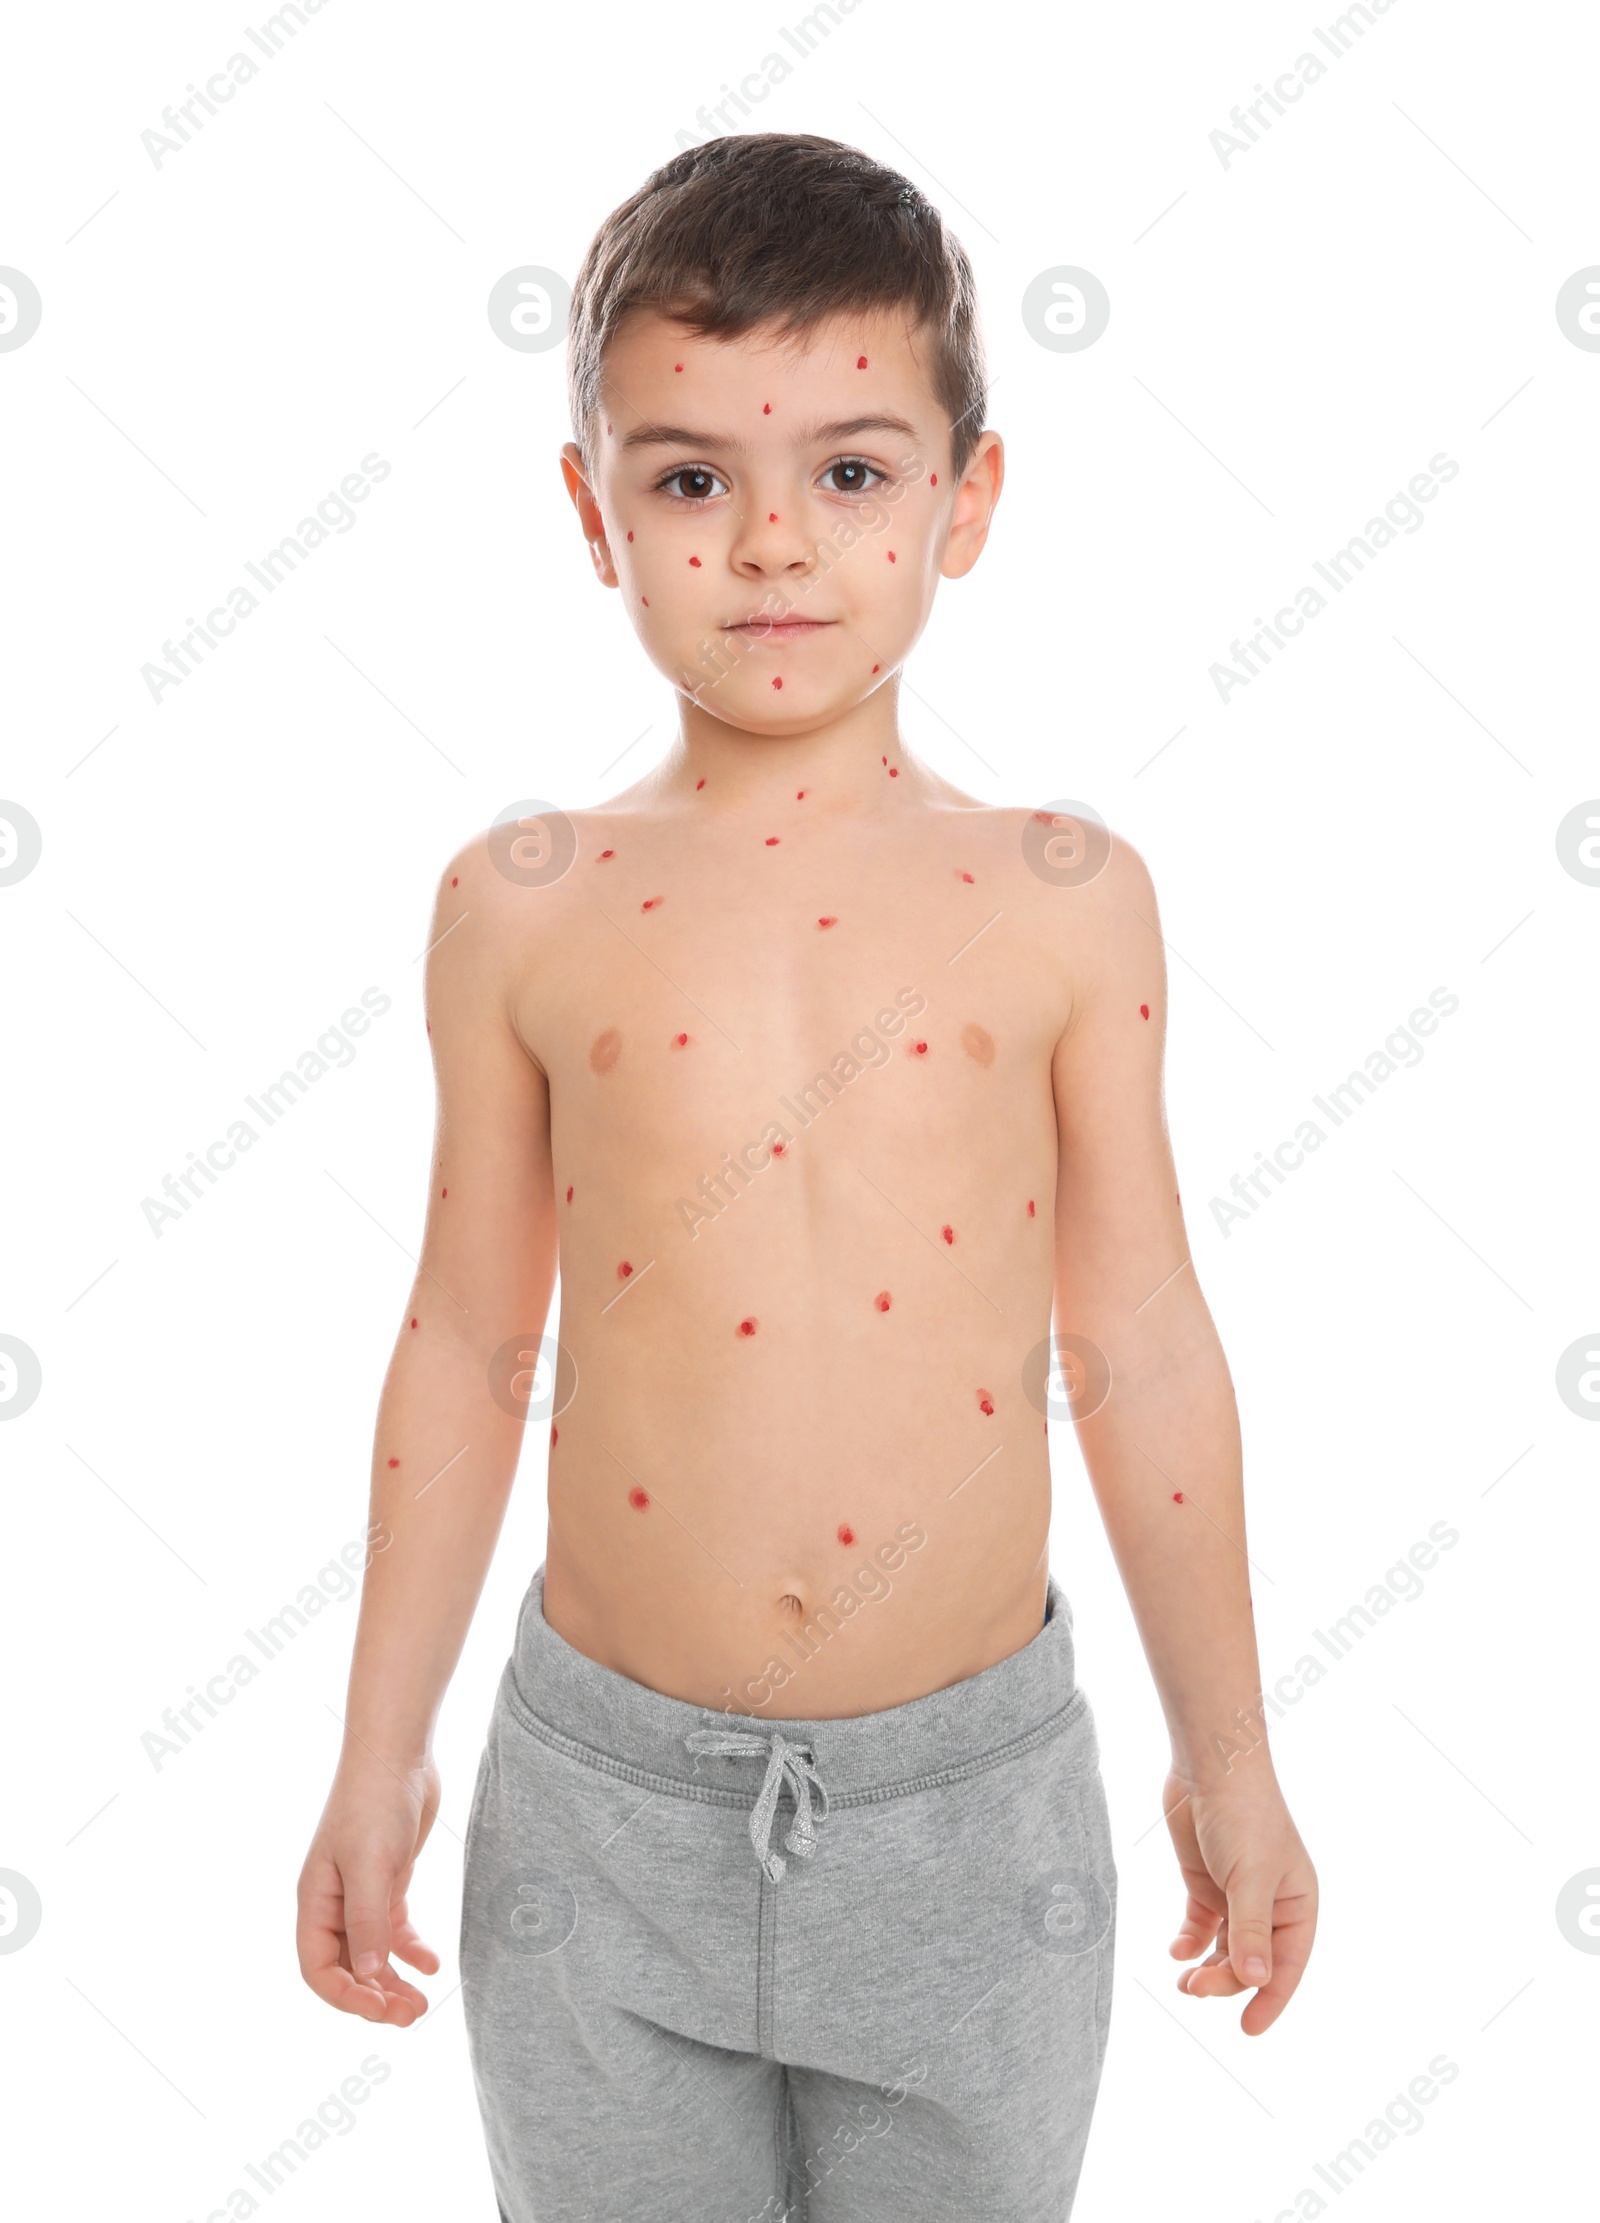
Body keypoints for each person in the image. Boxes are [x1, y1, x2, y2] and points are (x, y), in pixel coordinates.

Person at [297, 132, 1317, 2221]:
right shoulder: (522, 902)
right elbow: (467, 1338)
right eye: (689, 477)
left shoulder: (1061, 897)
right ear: (594, 512)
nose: (770, 539)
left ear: (969, 495)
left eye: (848, 471)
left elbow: (1136, 1339)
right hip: (596, 1821)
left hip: (972, 1819)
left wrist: (1232, 1749)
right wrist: (376, 1745)